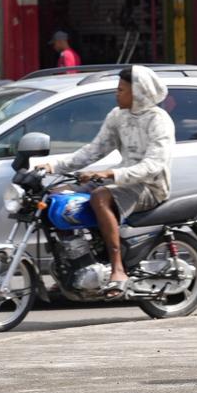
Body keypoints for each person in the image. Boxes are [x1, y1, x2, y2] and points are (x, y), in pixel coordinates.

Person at [41, 66, 174, 295]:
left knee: (100, 197)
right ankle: (73, 268)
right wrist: (54, 166)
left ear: (138, 93)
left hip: (150, 186)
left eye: (121, 90)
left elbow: (154, 166)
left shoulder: (159, 120)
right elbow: (94, 150)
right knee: (57, 197)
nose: (116, 94)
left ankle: (118, 268)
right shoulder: (117, 116)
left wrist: (109, 174)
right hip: (122, 180)